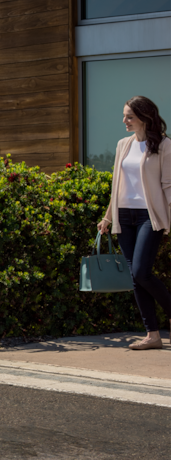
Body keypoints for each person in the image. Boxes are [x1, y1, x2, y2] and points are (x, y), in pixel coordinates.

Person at [97, 96, 171, 350]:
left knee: (141, 271)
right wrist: (108, 216)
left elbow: (169, 187)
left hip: (149, 217)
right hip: (124, 216)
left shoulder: (164, 145)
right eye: (124, 115)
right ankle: (153, 335)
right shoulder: (123, 145)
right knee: (135, 277)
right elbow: (116, 186)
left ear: (144, 117)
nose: (124, 121)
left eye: (129, 116)